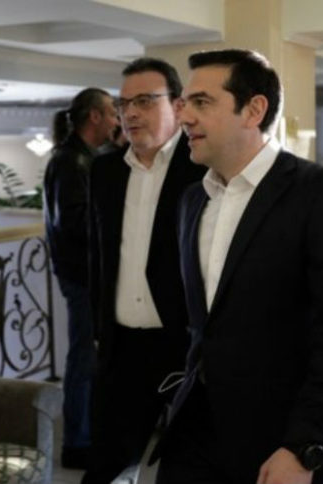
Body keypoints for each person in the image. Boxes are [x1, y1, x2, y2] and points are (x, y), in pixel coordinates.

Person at [154, 49, 323, 484]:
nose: (185, 117)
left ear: (254, 110)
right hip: (198, 432)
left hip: (284, 440)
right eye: (184, 103)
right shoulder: (193, 200)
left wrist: (304, 446)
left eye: (202, 102)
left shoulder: (322, 192)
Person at [82, 58, 206, 484]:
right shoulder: (105, 171)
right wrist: (99, 327)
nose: (130, 113)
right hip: (122, 347)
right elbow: (99, 256)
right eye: (123, 104)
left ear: (178, 104)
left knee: (189, 467)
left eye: (145, 101)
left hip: (185, 343)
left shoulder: (202, 168)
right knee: (107, 467)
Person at [42, 87, 118, 469]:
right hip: (80, 275)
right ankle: (77, 443)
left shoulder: (86, 157)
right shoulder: (70, 161)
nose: (117, 121)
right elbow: (72, 221)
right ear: (95, 116)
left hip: (87, 273)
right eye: (113, 113)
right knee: (83, 358)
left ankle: (90, 434)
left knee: (90, 357)